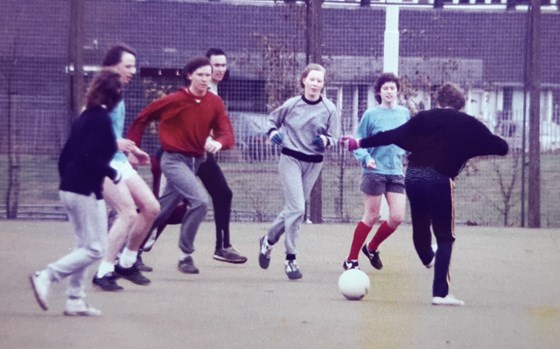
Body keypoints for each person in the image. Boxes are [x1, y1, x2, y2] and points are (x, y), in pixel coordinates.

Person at [342, 82, 509, 306]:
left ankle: (427, 257)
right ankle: (441, 293)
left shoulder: (424, 118)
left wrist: (360, 142)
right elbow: (500, 147)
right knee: (445, 237)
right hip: (440, 179)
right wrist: (476, 146)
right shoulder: (468, 124)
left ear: (438, 101)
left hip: (415, 176)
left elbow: (392, 135)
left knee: (421, 223)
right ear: (460, 104)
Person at [127, 56, 235, 274]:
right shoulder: (174, 100)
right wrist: (133, 149)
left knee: (160, 210)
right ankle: (186, 255)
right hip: (174, 160)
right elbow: (141, 118)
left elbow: (227, 134)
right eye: (200, 75)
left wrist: (218, 142)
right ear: (189, 76)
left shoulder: (214, 103)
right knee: (200, 201)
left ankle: (130, 252)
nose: (205, 79)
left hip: (197, 161)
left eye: (208, 74)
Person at [29, 68, 124, 316]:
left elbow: (67, 156)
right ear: (114, 94)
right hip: (84, 190)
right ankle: (47, 275)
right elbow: (88, 158)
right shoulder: (101, 120)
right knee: (95, 249)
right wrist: (113, 173)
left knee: (84, 246)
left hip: (72, 188)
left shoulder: (85, 117)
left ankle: (75, 299)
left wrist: (69, 181)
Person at [258, 63, 340, 280]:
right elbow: (270, 121)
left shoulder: (330, 109)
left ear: (323, 85)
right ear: (304, 80)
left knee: (293, 210)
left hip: (314, 163)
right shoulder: (292, 104)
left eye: (319, 81)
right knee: (297, 209)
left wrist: (326, 140)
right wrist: (273, 132)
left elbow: (335, 137)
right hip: (291, 159)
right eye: (312, 79)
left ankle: (267, 240)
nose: (315, 84)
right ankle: (290, 259)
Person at [92, 44, 160, 292]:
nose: (133, 70)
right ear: (112, 65)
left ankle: (127, 263)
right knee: (127, 213)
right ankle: (104, 271)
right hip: (100, 161)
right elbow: (86, 131)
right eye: (128, 65)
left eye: (134, 65)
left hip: (117, 159)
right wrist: (114, 143)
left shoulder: (117, 90)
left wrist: (129, 149)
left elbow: (111, 133)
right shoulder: (100, 91)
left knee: (151, 208)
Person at [343, 73, 409, 271]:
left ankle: (371, 248)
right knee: (371, 215)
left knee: (397, 217)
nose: (389, 92)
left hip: (396, 171)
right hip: (374, 171)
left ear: (398, 91)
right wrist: (366, 158)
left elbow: (410, 140)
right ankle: (351, 260)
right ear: (379, 92)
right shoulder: (370, 115)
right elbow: (358, 142)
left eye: (392, 88)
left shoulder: (404, 113)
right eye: (385, 88)